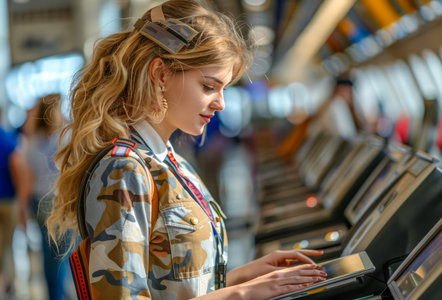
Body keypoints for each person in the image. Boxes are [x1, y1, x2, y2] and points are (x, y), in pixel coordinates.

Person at [47, 1, 327, 299]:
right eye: (208, 87)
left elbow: (174, 287)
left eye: (223, 89)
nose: (221, 103)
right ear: (161, 74)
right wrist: (241, 295)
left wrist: (242, 277)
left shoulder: (170, 161)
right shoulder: (124, 169)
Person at [24, 94, 72, 300]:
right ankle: (60, 294)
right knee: (63, 255)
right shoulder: (65, 138)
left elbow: (29, 180)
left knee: (51, 254)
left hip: (43, 201)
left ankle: (55, 295)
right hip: (57, 201)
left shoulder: (33, 143)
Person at [0, 115, 32, 296]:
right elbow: (18, 168)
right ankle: (8, 284)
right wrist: (22, 201)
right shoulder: (8, 140)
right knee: (7, 245)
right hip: (8, 201)